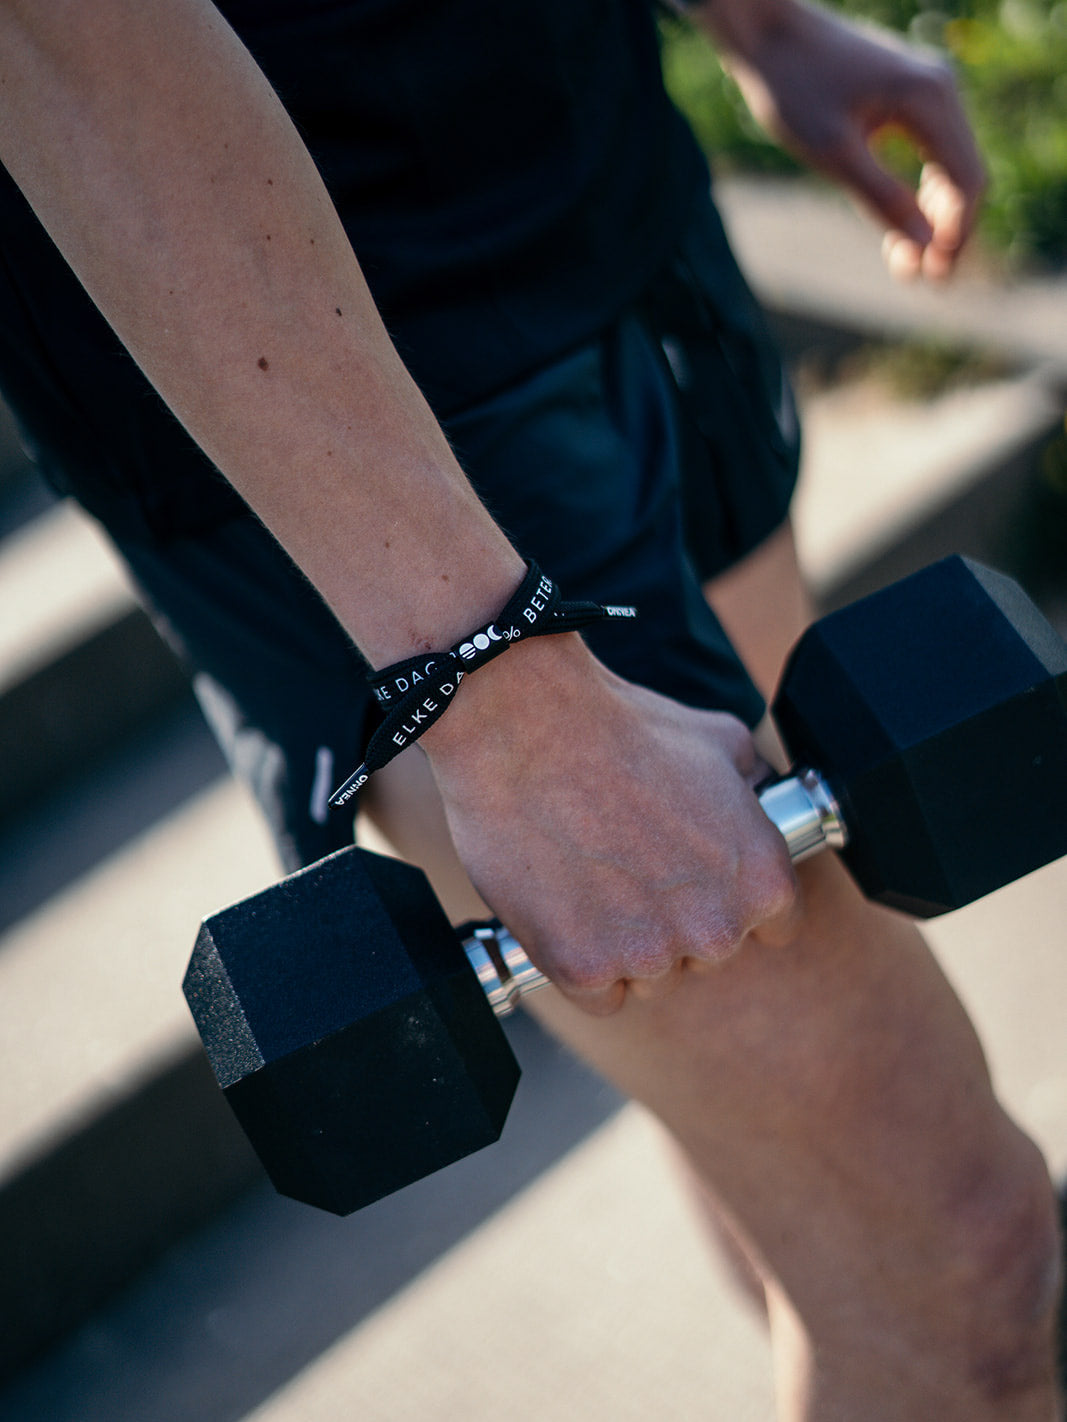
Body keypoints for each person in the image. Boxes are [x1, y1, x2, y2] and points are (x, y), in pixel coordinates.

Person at [0, 0, 1060, 1414]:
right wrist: (489, 682)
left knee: (824, 1205)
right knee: (969, 1259)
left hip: (590, 172)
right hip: (330, 373)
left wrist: (758, 20)